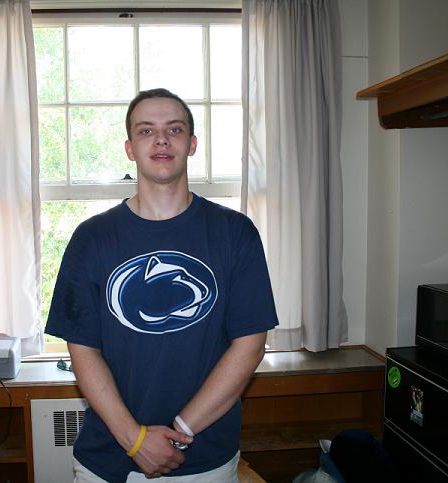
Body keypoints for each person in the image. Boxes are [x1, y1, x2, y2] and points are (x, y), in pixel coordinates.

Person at [46, 88, 278, 482]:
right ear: (130, 148)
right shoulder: (91, 238)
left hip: (204, 460)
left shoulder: (235, 233)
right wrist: (134, 439)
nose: (161, 140)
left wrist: (181, 431)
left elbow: (250, 345)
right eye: (146, 130)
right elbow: (83, 350)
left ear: (192, 144)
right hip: (108, 460)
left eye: (174, 129)